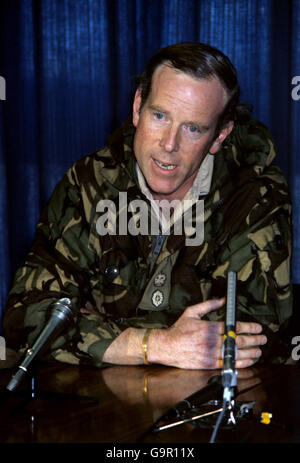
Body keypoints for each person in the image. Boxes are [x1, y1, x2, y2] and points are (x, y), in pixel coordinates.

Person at [2, 42, 293, 370]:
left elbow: (248, 339)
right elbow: (25, 315)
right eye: (160, 115)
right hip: (96, 404)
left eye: (193, 128)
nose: (169, 144)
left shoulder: (255, 198)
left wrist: (95, 329)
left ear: (220, 135)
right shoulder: (90, 180)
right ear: (138, 106)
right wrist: (154, 344)